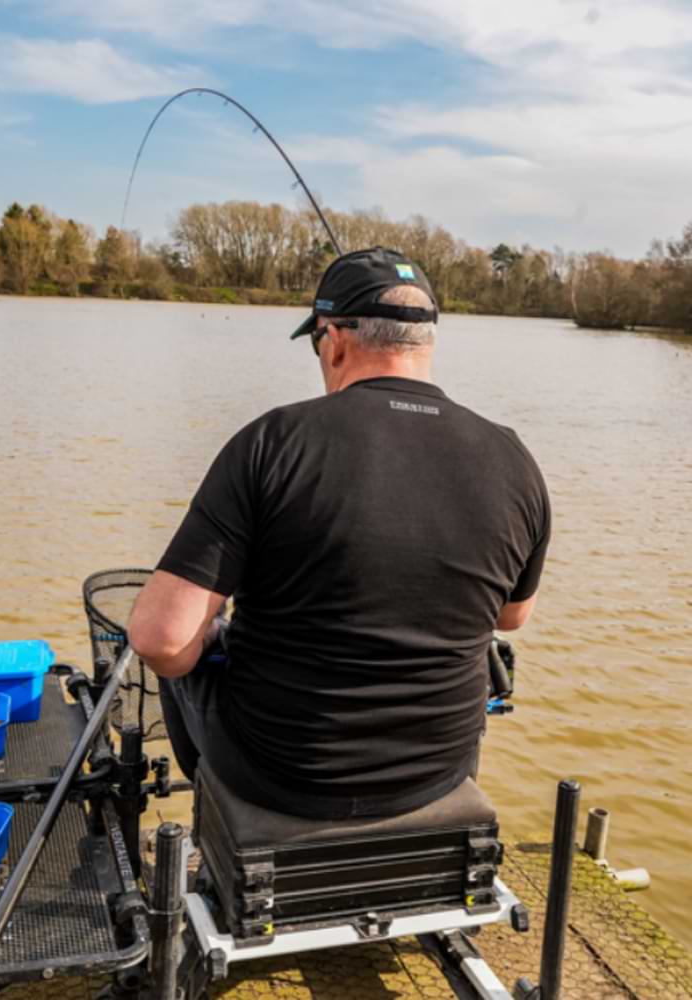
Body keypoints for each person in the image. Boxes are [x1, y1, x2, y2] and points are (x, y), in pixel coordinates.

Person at [127, 247, 550, 820]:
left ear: (334, 338)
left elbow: (159, 640)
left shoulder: (271, 442)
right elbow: (509, 617)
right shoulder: (512, 457)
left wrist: (209, 635)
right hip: (436, 772)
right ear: (423, 343)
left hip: (276, 772)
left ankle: (216, 803)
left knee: (190, 651)